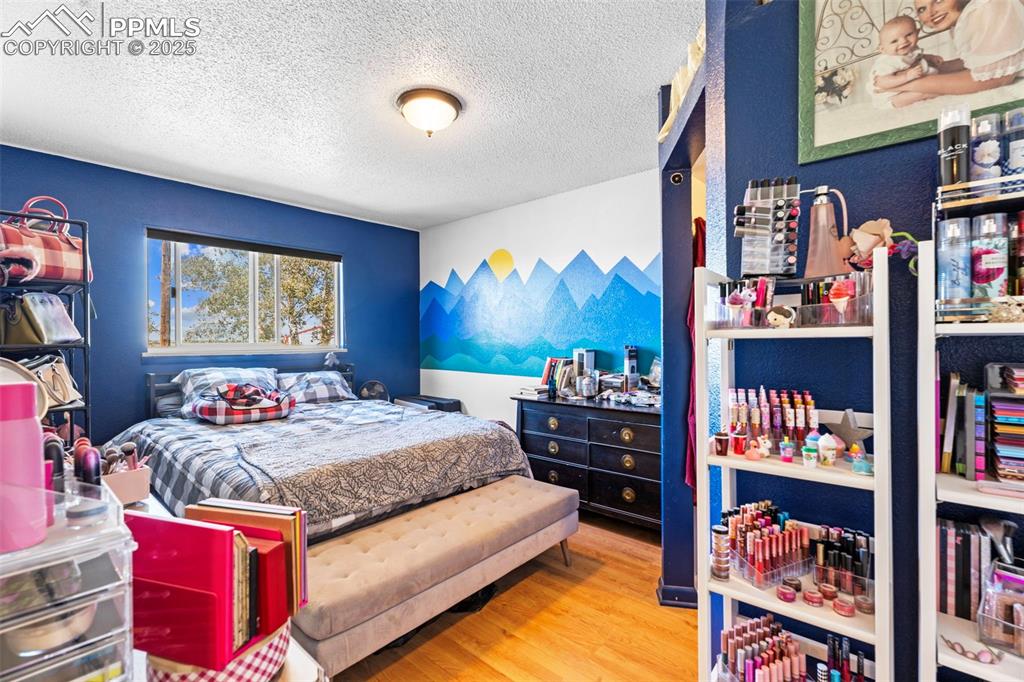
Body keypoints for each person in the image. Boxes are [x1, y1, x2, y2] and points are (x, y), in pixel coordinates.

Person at [881, 0, 1024, 96]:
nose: (930, 14)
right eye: (922, 9)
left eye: (938, 0)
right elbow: (986, 62)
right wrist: (928, 69)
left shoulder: (989, 7)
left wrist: (904, 84)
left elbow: (995, 79)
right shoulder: (965, 18)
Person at [869, 15, 942, 108]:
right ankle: (939, 92)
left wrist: (930, 57)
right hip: (889, 96)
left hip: (906, 87)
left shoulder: (909, 50)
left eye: (908, 35)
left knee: (932, 80)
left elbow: (916, 57)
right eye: (894, 41)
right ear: (882, 49)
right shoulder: (887, 62)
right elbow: (882, 83)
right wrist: (906, 77)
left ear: (917, 32)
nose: (903, 41)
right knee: (922, 92)